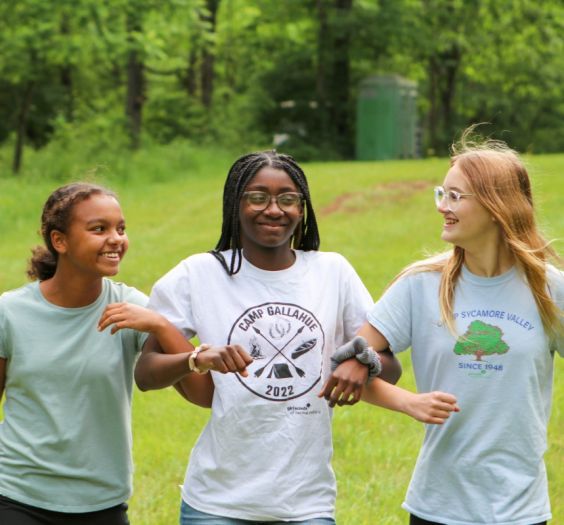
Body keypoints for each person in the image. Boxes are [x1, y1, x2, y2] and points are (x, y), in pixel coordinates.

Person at [133, 150, 459, 524]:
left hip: (305, 504)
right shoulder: (198, 275)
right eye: (257, 197)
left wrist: (359, 359)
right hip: (216, 502)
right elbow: (145, 374)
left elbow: (388, 369)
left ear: (302, 208)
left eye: (288, 199)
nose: (274, 209)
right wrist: (197, 359)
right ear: (234, 203)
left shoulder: (331, 273)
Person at [332, 133, 564, 525]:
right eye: (443, 193)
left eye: (456, 197)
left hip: (521, 509)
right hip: (438, 507)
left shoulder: (549, 288)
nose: (443, 207)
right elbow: (348, 364)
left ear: (496, 206)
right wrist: (409, 401)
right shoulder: (420, 285)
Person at [0, 182, 248, 525]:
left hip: (103, 501)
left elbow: (201, 393)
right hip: (18, 497)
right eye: (99, 229)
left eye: (121, 228)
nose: (116, 239)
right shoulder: (10, 313)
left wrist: (161, 325)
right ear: (60, 241)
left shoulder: (133, 309)